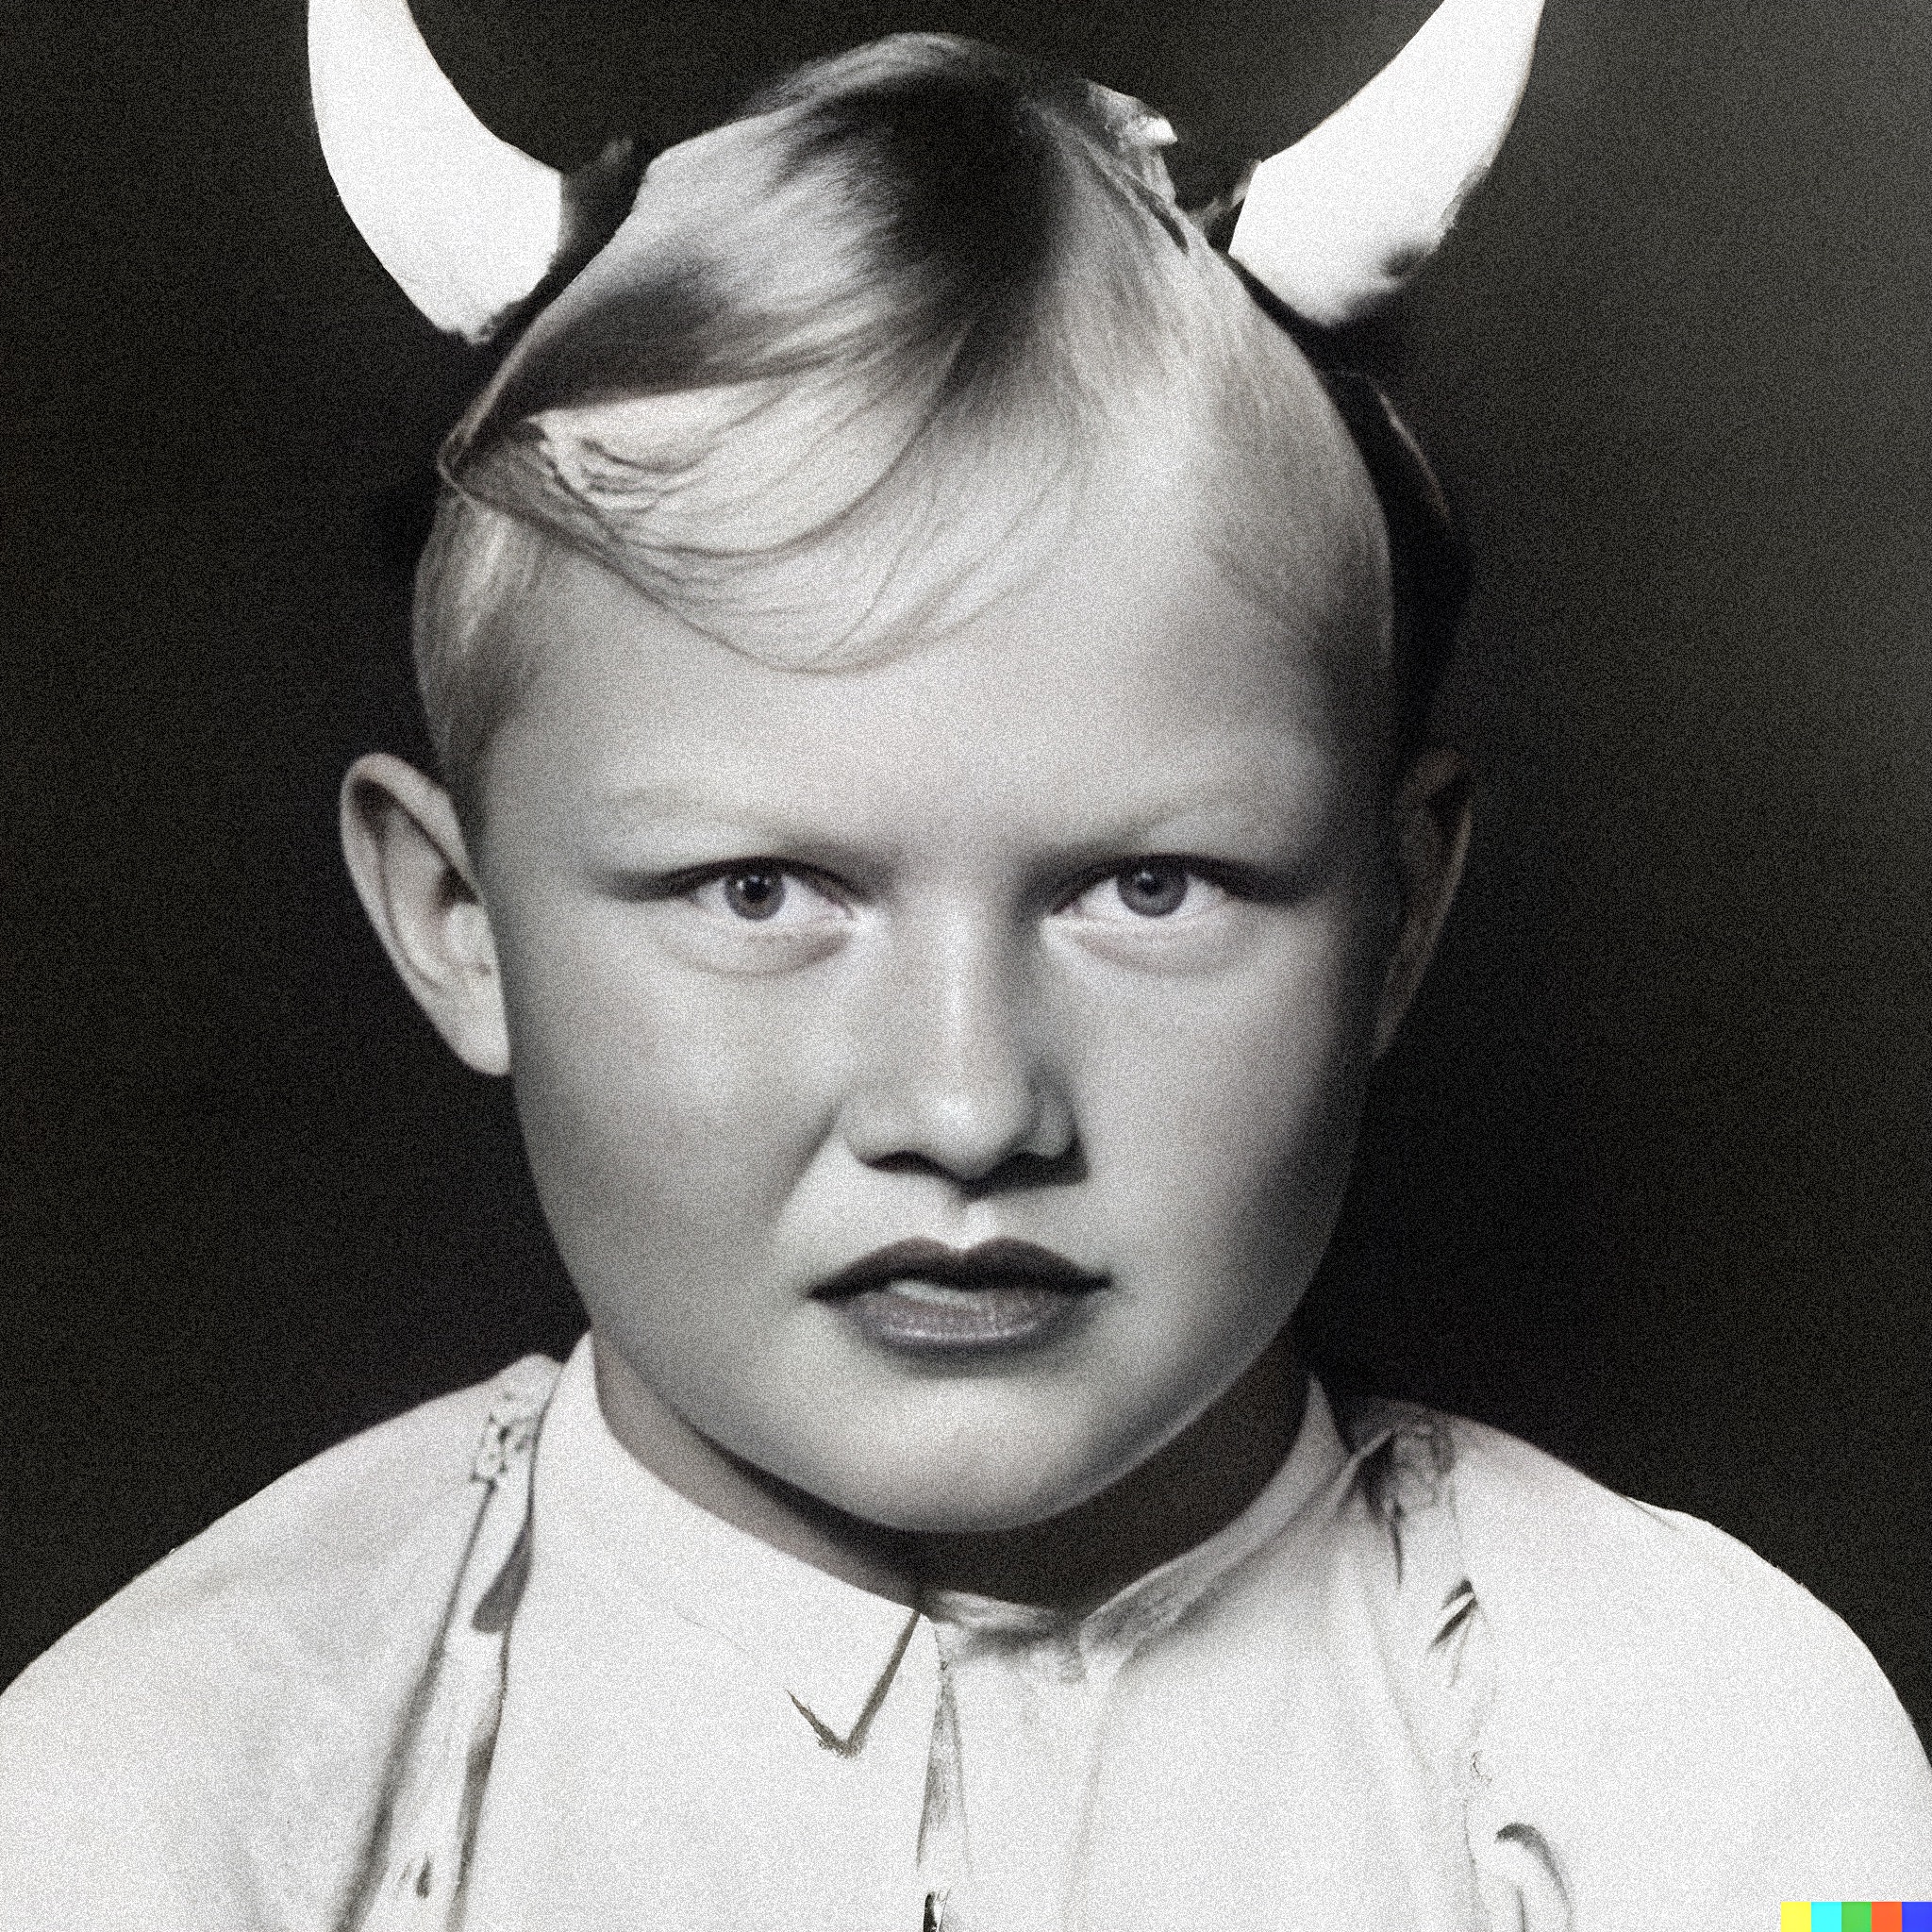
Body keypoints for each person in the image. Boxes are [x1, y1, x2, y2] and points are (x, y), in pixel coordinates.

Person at [2, 2, 1927, 1924]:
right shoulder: (138, 1810)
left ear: (1398, 910)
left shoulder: (1740, 1781)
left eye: (1150, 887)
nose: (966, 1103)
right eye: (761, 892)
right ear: (457, 919)